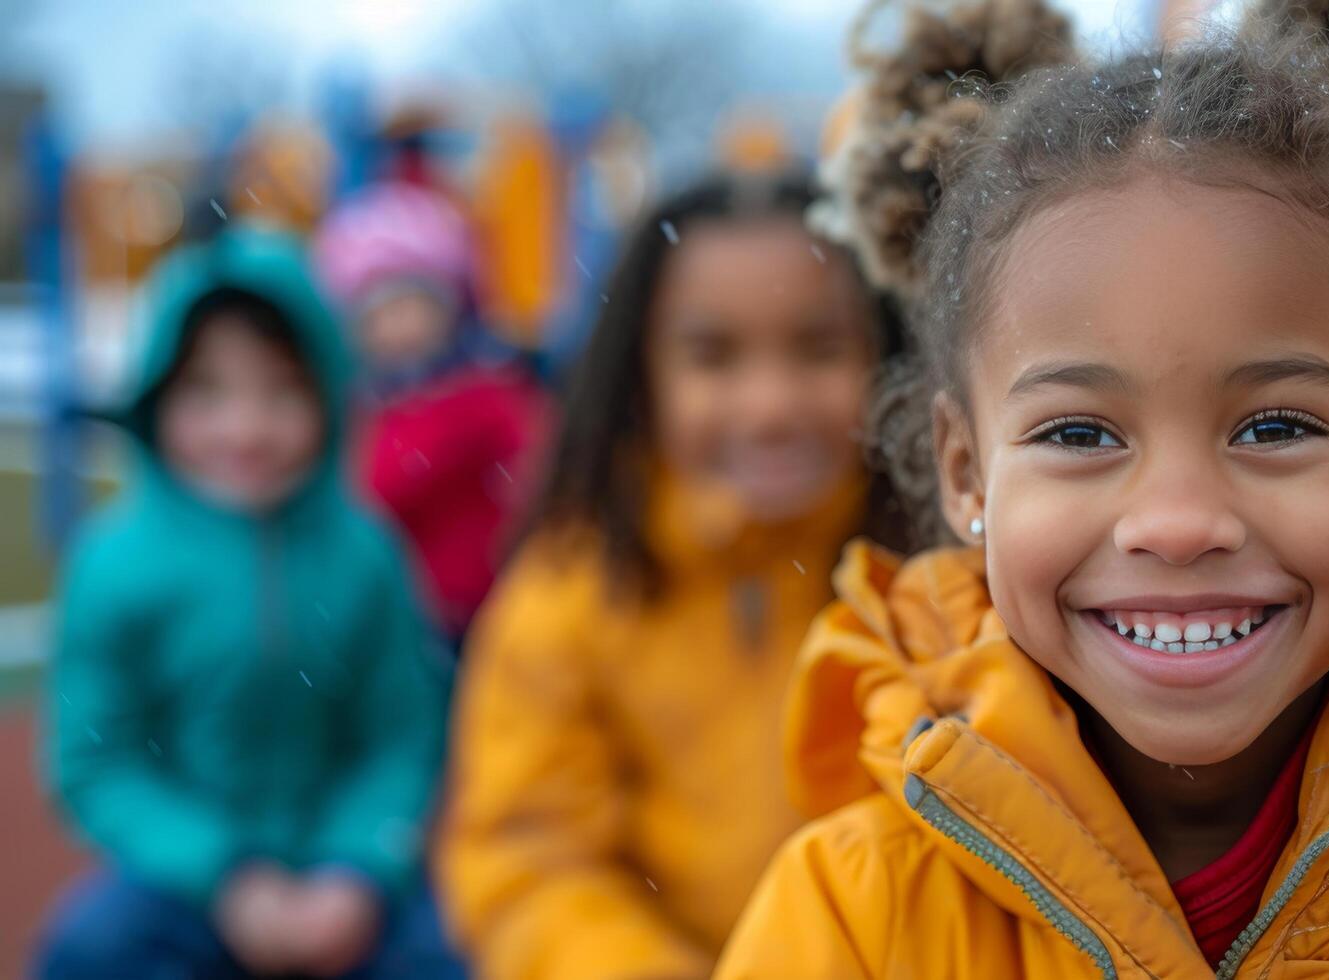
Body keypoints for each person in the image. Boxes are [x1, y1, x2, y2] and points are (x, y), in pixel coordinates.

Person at [715, 1, 1329, 976]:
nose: (1180, 522)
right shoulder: (856, 916)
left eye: (1275, 426)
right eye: (1079, 432)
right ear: (967, 472)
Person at [438, 170, 907, 978]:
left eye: (819, 348)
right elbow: (528, 863)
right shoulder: (569, 595)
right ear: (641, 374)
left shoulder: (939, 582)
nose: (768, 404)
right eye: (712, 356)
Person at [35, 229, 459, 979]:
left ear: (326, 398)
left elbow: (402, 737)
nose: (246, 429)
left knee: (451, 951)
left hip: (350, 880)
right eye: (207, 392)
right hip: (183, 885)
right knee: (85, 951)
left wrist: (356, 868)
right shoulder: (113, 565)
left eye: (281, 390)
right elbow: (98, 761)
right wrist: (225, 875)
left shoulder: (366, 555)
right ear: (156, 398)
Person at [314, 181, 547, 647]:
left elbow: (537, 463)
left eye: (409, 306)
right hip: (401, 618)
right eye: (376, 315)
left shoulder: (485, 391)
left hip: (484, 609)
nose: (395, 328)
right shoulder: (362, 408)